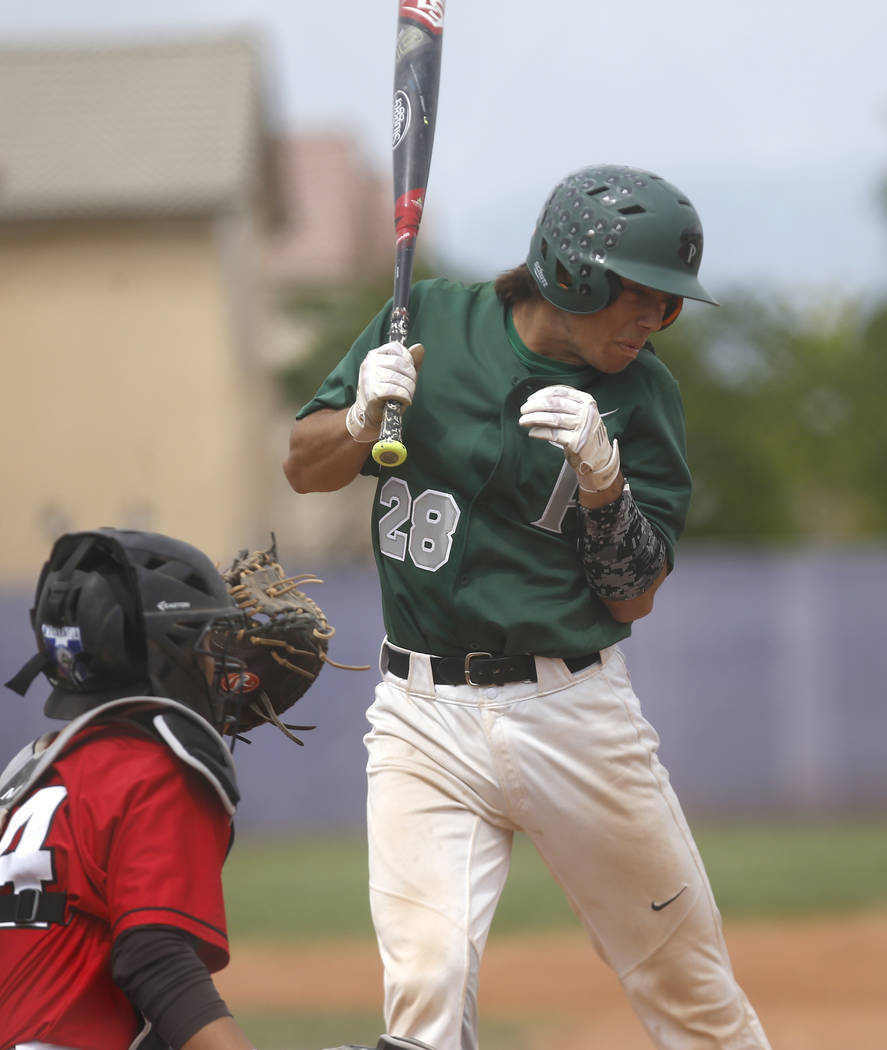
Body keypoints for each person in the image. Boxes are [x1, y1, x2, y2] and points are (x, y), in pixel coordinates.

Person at [282, 164, 772, 1049]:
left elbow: (636, 593)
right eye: (644, 296)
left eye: (668, 304)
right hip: (419, 714)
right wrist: (357, 421)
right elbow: (302, 466)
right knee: (424, 992)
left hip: (571, 713)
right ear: (573, 272)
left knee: (689, 991)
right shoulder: (425, 321)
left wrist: (604, 483)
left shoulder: (644, 396)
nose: (657, 320)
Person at [0, 528, 295, 1050]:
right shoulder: (157, 769)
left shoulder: (32, 776)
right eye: (205, 641)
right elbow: (155, 959)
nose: (221, 661)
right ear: (161, 653)